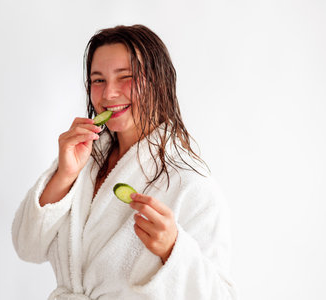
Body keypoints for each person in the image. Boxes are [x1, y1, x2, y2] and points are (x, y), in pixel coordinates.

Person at [12, 24, 238, 300]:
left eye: (126, 77)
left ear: (159, 81)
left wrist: (173, 249)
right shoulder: (84, 160)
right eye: (98, 80)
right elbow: (27, 247)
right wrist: (64, 175)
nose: (108, 94)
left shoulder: (192, 184)